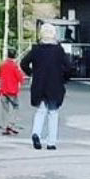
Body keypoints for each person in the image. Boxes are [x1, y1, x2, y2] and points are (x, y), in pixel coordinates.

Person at [20, 23, 73, 151]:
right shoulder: (58, 50)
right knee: (53, 113)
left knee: (40, 111)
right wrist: (64, 78)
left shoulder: (36, 49)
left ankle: (36, 133)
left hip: (39, 84)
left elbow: (23, 63)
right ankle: (51, 142)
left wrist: (31, 73)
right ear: (54, 34)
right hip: (55, 85)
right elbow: (69, 67)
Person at [0, 48, 26, 135]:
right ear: (15, 56)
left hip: (3, 90)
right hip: (12, 91)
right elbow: (21, 78)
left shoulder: (3, 65)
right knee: (16, 107)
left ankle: (5, 126)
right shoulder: (14, 66)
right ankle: (11, 124)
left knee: (5, 109)